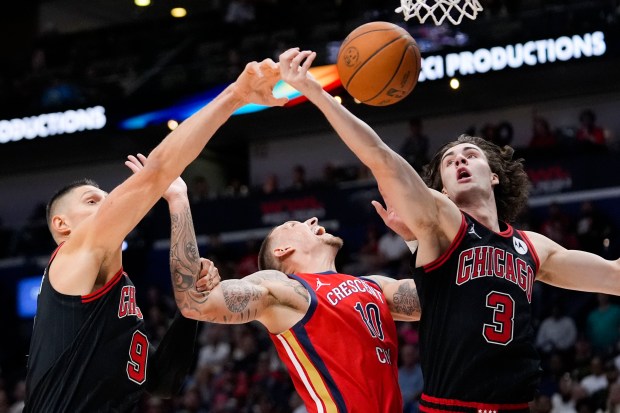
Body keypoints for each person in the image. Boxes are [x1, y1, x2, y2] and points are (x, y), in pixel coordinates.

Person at [278, 47, 620, 410]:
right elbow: (381, 158)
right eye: (449, 161)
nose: (459, 160)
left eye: (470, 155)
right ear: (440, 191)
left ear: (494, 176)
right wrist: (316, 92)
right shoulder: (443, 222)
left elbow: (613, 276)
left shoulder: (534, 247)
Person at [24, 58, 287, 412]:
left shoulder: (118, 289)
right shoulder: (73, 255)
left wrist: (178, 201)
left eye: (107, 199)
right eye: (92, 201)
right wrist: (237, 94)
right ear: (62, 226)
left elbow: (163, 382)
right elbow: (157, 171)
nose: (108, 207)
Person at [180, 213, 421, 412]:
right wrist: (178, 200)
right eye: (295, 224)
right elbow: (196, 303)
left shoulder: (374, 285)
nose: (314, 220)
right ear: (282, 250)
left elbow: (444, 298)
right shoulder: (285, 288)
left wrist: (417, 239)